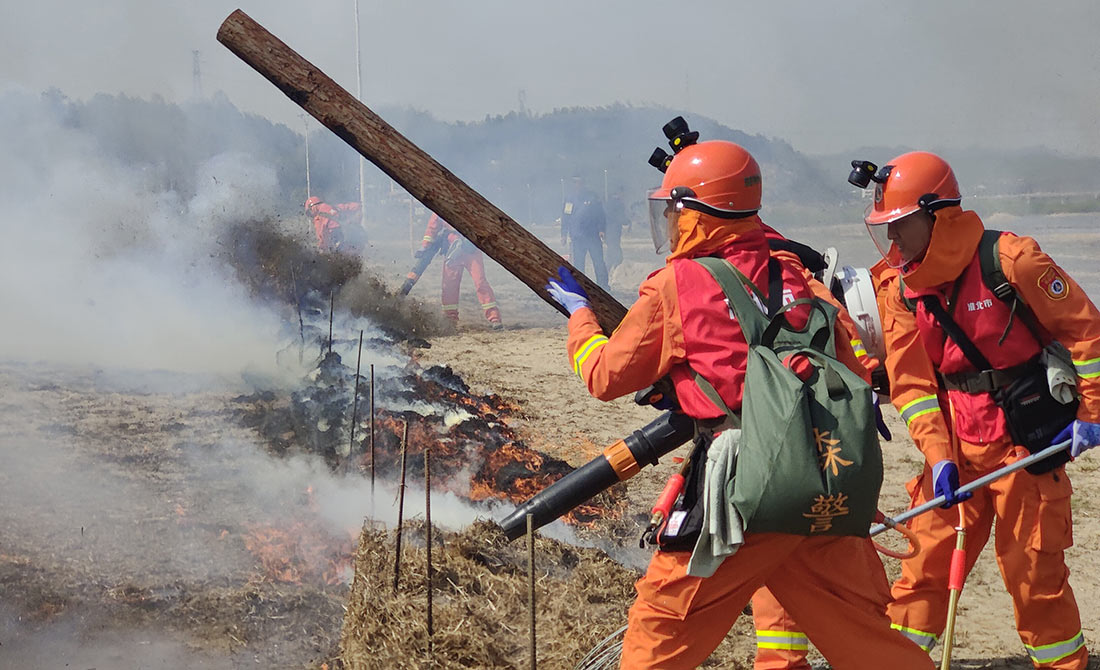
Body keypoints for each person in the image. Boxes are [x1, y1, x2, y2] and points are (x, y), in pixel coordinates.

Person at [547, 139, 934, 670]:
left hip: (742, 489)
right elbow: (852, 365)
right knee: (865, 638)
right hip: (822, 481)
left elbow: (603, 375)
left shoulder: (676, 287)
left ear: (693, 211)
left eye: (674, 209)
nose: (671, 221)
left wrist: (578, 316)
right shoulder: (798, 275)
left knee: (658, 633)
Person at [861, 151, 1099, 669]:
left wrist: (1091, 415)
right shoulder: (900, 286)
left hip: (1025, 444)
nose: (893, 244)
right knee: (924, 568)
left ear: (938, 216)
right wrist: (938, 455)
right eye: (886, 231)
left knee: (1034, 577)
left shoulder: (1013, 262)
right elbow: (912, 384)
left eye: (900, 228)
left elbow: (1087, 333)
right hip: (954, 451)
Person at [417, 213, 502, 329]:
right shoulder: (440, 204)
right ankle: (450, 320)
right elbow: (432, 227)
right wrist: (425, 246)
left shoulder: (469, 201)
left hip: (471, 248)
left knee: (480, 282)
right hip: (452, 249)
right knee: (449, 287)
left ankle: (494, 318)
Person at [561, 176, 608, 288]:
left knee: (598, 262)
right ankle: (581, 286)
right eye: (575, 183)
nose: (578, 185)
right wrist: (563, 234)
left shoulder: (593, 197)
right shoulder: (570, 199)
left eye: (580, 183)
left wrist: (601, 229)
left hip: (592, 236)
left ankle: (603, 286)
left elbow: (601, 214)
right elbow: (566, 217)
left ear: (584, 184)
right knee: (578, 264)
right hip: (577, 237)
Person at [603, 189, 629, 275]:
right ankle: (613, 271)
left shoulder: (608, 203)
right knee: (616, 253)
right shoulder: (618, 204)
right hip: (613, 231)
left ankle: (608, 271)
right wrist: (628, 221)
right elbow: (620, 218)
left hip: (609, 231)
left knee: (611, 251)